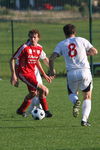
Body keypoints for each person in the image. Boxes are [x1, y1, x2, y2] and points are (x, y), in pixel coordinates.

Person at [49, 24, 98, 126]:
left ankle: (75, 101)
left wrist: (52, 70)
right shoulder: (82, 40)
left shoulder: (62, 44)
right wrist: (85, 53)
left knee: (72, 93)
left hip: (71, 73)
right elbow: (94, 51)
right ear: (75, 32)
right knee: (87, 96)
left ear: (64, 33)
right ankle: (84, 120)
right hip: (84, 71)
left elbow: (52, 57)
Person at [10, 29, 53, 118]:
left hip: (31, 73)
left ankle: (21, 110)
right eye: (31, 37)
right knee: (44, 90)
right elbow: (12, 59)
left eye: (34, 37)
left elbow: (37, 61)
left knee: (33, 93)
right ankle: (46, 111)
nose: (32, 39)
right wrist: (13, 75)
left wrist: (44, 74)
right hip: (23, 73)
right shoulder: (24, 47)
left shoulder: (39, 48)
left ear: (38, 38)